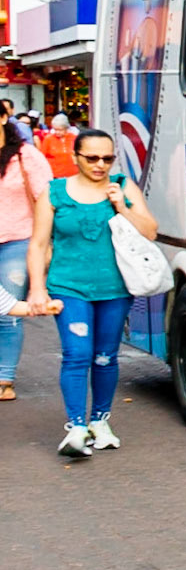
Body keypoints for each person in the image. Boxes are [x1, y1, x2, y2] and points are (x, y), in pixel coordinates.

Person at [26, 128, 159, 457]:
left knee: (105, 356)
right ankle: (76, 426)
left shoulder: (124, 187)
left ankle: (100, 420)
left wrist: (122, 206)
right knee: (77, 354)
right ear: (76, 158)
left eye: (108, 158)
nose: (100, 165)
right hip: (68, 286)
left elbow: (151, 232)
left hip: (114, 288)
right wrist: (37, 289)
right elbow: (39, 243)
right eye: (92, 158)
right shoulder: (55, 192)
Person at [0, 117, 54, 403]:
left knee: (7, 310)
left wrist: (44, 242)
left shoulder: (26, 156)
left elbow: (46, 198)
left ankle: (4, 378)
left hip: (17, 240)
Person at [36, 112, 77, 178]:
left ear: (66, 128)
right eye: (55, 129)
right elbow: (42, 157)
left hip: (73, 175)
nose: (57, 132)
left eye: (60, 130)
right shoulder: (48, 139)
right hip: (55, 175)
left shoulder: (74, 138)